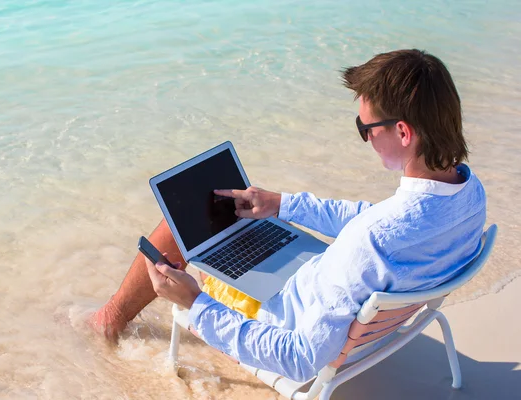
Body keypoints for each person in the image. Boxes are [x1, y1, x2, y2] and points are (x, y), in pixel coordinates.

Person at [90, 49, 486, 382]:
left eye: (364, 128)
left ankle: (107, 321)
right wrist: (282, 205)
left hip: (285, 320)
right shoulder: (468, 193)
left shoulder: (372, 240)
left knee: (177, 231)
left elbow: (298, 358)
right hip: (369, 322)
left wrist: (194, 303)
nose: (364, 137)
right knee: (241, 226)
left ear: (402, 133)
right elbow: (373, 219)